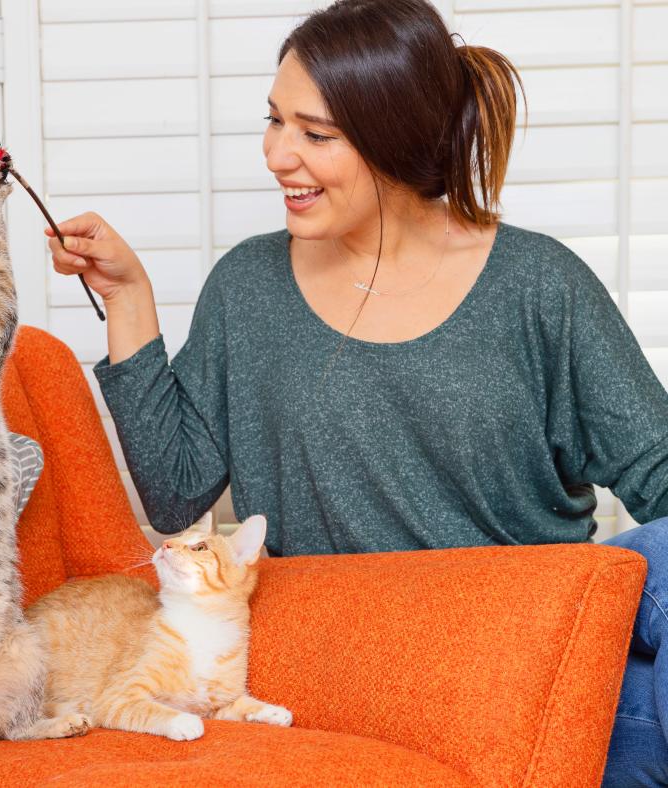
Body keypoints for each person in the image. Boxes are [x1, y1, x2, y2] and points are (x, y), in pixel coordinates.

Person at [45, 1, 668, 784]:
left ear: (396, 139)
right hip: (353, 655)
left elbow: (661, 472)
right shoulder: (248, 288)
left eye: (315, 134)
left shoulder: (539, 285)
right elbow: (174, 499)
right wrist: (129, 295)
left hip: (526, 645)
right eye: (274, 122)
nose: (276, 154)